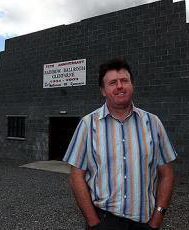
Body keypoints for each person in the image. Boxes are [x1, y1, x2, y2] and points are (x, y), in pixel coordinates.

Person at [63, 58, 177, 230]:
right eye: (112, 83)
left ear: (132, 84)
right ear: (103, 90)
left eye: (124, 80)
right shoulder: (88, 124)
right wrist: (94, 223)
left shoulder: (153, 123)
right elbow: (76, 176)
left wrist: (157, 219)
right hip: (103, 220)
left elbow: (166, 173)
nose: (119, 86)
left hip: (144, 222)